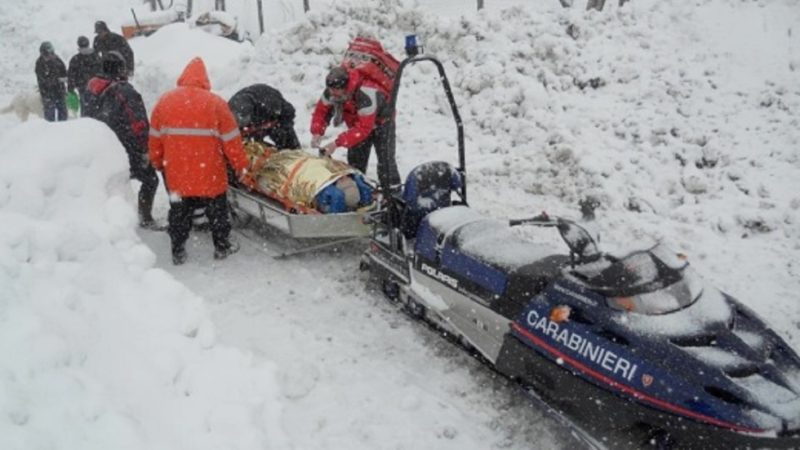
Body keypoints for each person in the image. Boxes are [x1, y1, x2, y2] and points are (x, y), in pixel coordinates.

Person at [149, 57, 249, 265]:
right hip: (209, 173)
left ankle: (178, 250)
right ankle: (222, 247)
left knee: (178, 212)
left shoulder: (164, 102)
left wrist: (158, 162)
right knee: (217, 211)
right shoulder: (216, 103)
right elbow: (232, 140)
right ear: (204, 80)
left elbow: (155, 139)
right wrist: (240, 165)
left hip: (177, 174)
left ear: (183, 77)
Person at [84, 51, 160, 229]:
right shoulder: (123, 90)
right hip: (128, 145)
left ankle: (110, 218)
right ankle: (144, 217)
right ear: (119, 69)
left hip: (102, 146)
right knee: (150, 180)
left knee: (110, 185)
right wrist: (144, 148)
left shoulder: (91, 88)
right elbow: (138, 122)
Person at [310, 66, 400, 189]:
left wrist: (336, 143)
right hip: (357, 124)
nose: (332, 93)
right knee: (355, 163)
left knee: (386, 164)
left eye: (335, 90)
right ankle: (359, 192)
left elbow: (364, 129)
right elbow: (322, 111)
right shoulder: (332, 90)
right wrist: (317, 131)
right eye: (330, 89)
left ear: (345, 87)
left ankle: (393, 193)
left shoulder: (366, 93)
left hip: (383, 124)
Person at [228, 84, 301, 150]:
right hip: (255, 125)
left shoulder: (269, 104)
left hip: (274, 120)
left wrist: (285, 127)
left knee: (287, 142)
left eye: (245, 122)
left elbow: (289, 112)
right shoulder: (228, 111)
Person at [67, 35, 101, 116]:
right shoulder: (96, 56)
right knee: (98, 105)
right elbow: (102, 71)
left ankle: (86, 122)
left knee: (85, 106)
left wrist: (70, 87)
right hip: (97, 86)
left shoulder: (75, 59)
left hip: (83, 86)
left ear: (78, 45)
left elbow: (71, 74)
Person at [35, 41, 68, 122]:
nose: (51, 55)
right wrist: (56, 80)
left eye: (52, 53)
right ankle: (50, 132)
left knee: (63, 115)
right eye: (49, 53)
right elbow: (43, 80)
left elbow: (64, 73)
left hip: (59, 92)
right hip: (47, 94)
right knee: (49, 118)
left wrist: (64, 79)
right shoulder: (40, 63)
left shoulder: (58, 60)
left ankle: (63, 131)